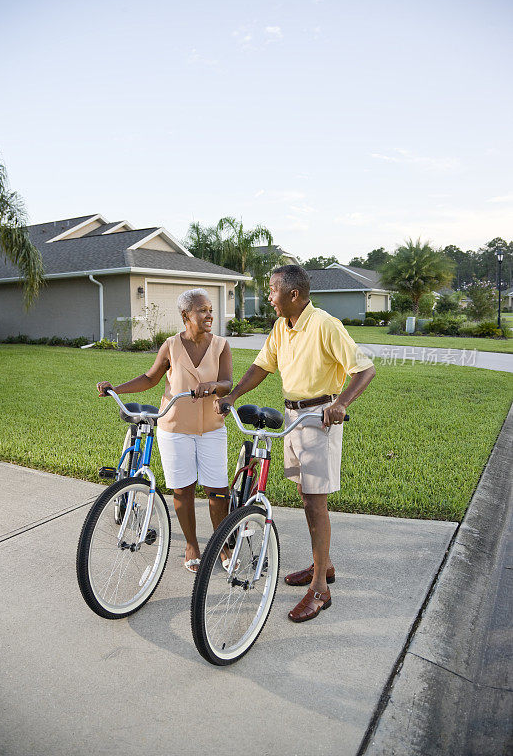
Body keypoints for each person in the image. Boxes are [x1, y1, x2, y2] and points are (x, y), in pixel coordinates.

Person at [215, 265, 376, 622]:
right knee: (306, 497)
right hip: (292, 417)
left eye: (272, 290)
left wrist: (340, 404)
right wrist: (234, 395)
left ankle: (320, 588)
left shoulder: (324, 324)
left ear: (292, 294)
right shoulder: (281, 326)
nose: (268, 296)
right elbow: (261, 366)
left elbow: (365, 370)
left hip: (319, 418)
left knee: (316, 504)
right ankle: (325, 564)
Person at [97, 288, 233, 573]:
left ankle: (222, 544)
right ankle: (192, 545)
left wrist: (214, 387)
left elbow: (227, 383)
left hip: (211, 427)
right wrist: (115, 389)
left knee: (218, 490)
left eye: (210, 309)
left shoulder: (221, 345)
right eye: (202, 310)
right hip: (174, 428)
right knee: (183, 490)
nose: (210, 315)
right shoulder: (171, 345)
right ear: (186, 315)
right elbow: (150, 378)